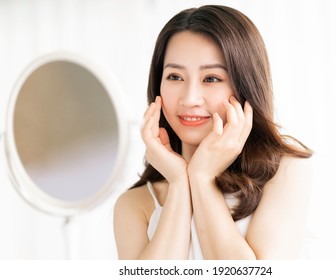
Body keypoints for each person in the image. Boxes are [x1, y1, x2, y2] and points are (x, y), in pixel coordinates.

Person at [114, 4, 313, 260]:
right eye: (175, 77)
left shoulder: (285, 172)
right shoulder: (134, 204)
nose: (190, 98)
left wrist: (202, 177)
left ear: (245, 86)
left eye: (211, 79)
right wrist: (178, 182)